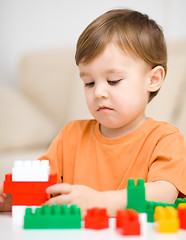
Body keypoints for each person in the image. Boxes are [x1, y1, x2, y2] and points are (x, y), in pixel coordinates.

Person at [0, 9, 186, 216]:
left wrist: (100, 201)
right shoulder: (70, 136)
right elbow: (43, 189)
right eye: (89, 83)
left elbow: (164, 194)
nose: (98, 92)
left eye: (113, 80)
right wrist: (16, 198)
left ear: (153, 80)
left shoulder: (165, 139)